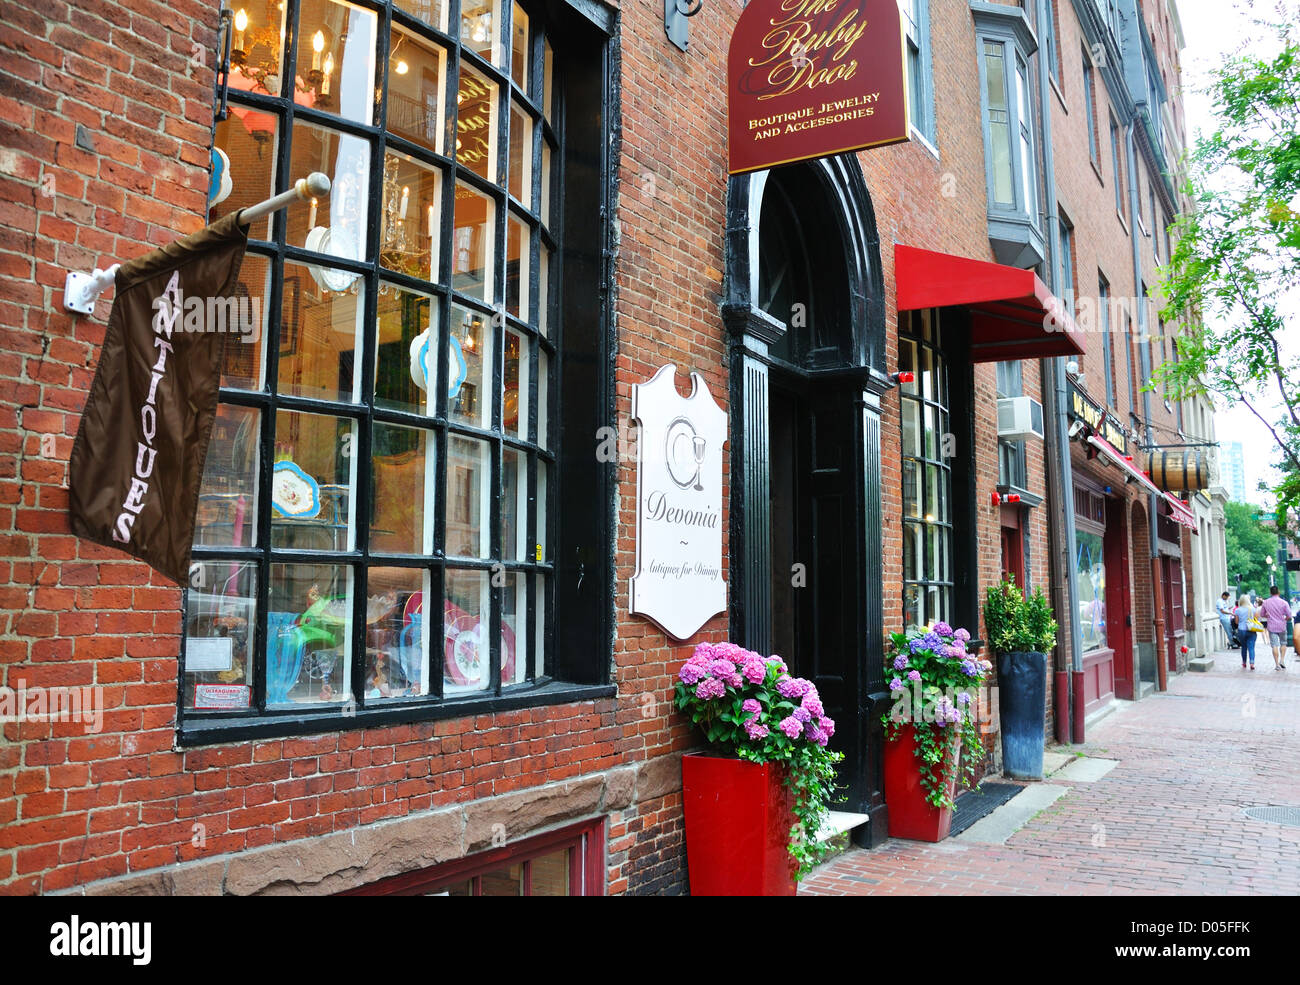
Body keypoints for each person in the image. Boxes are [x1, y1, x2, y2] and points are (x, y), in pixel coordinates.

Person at [1259, 585, 1291, 670]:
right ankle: (1282, 660)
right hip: (1282, 626)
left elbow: (1262, 614)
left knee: (1274, 645)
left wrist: (1267, 616)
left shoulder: (1266, 602)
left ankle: (1277, 664)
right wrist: (1285, 619)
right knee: (1283, 643)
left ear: (1270, 592)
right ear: (1278, 592)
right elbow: (1289, 615)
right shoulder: (1284, 602)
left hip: (1272, 626)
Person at [1235, 593, 1257, 670]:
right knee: (1251, 647)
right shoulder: (1253, 609)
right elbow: (1256, 620)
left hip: (1242, 630)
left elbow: (1236, 622)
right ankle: (1252, 663)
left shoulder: (1238, 610)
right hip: (1251, 629)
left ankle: (1244, 662)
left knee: (1244, 647)